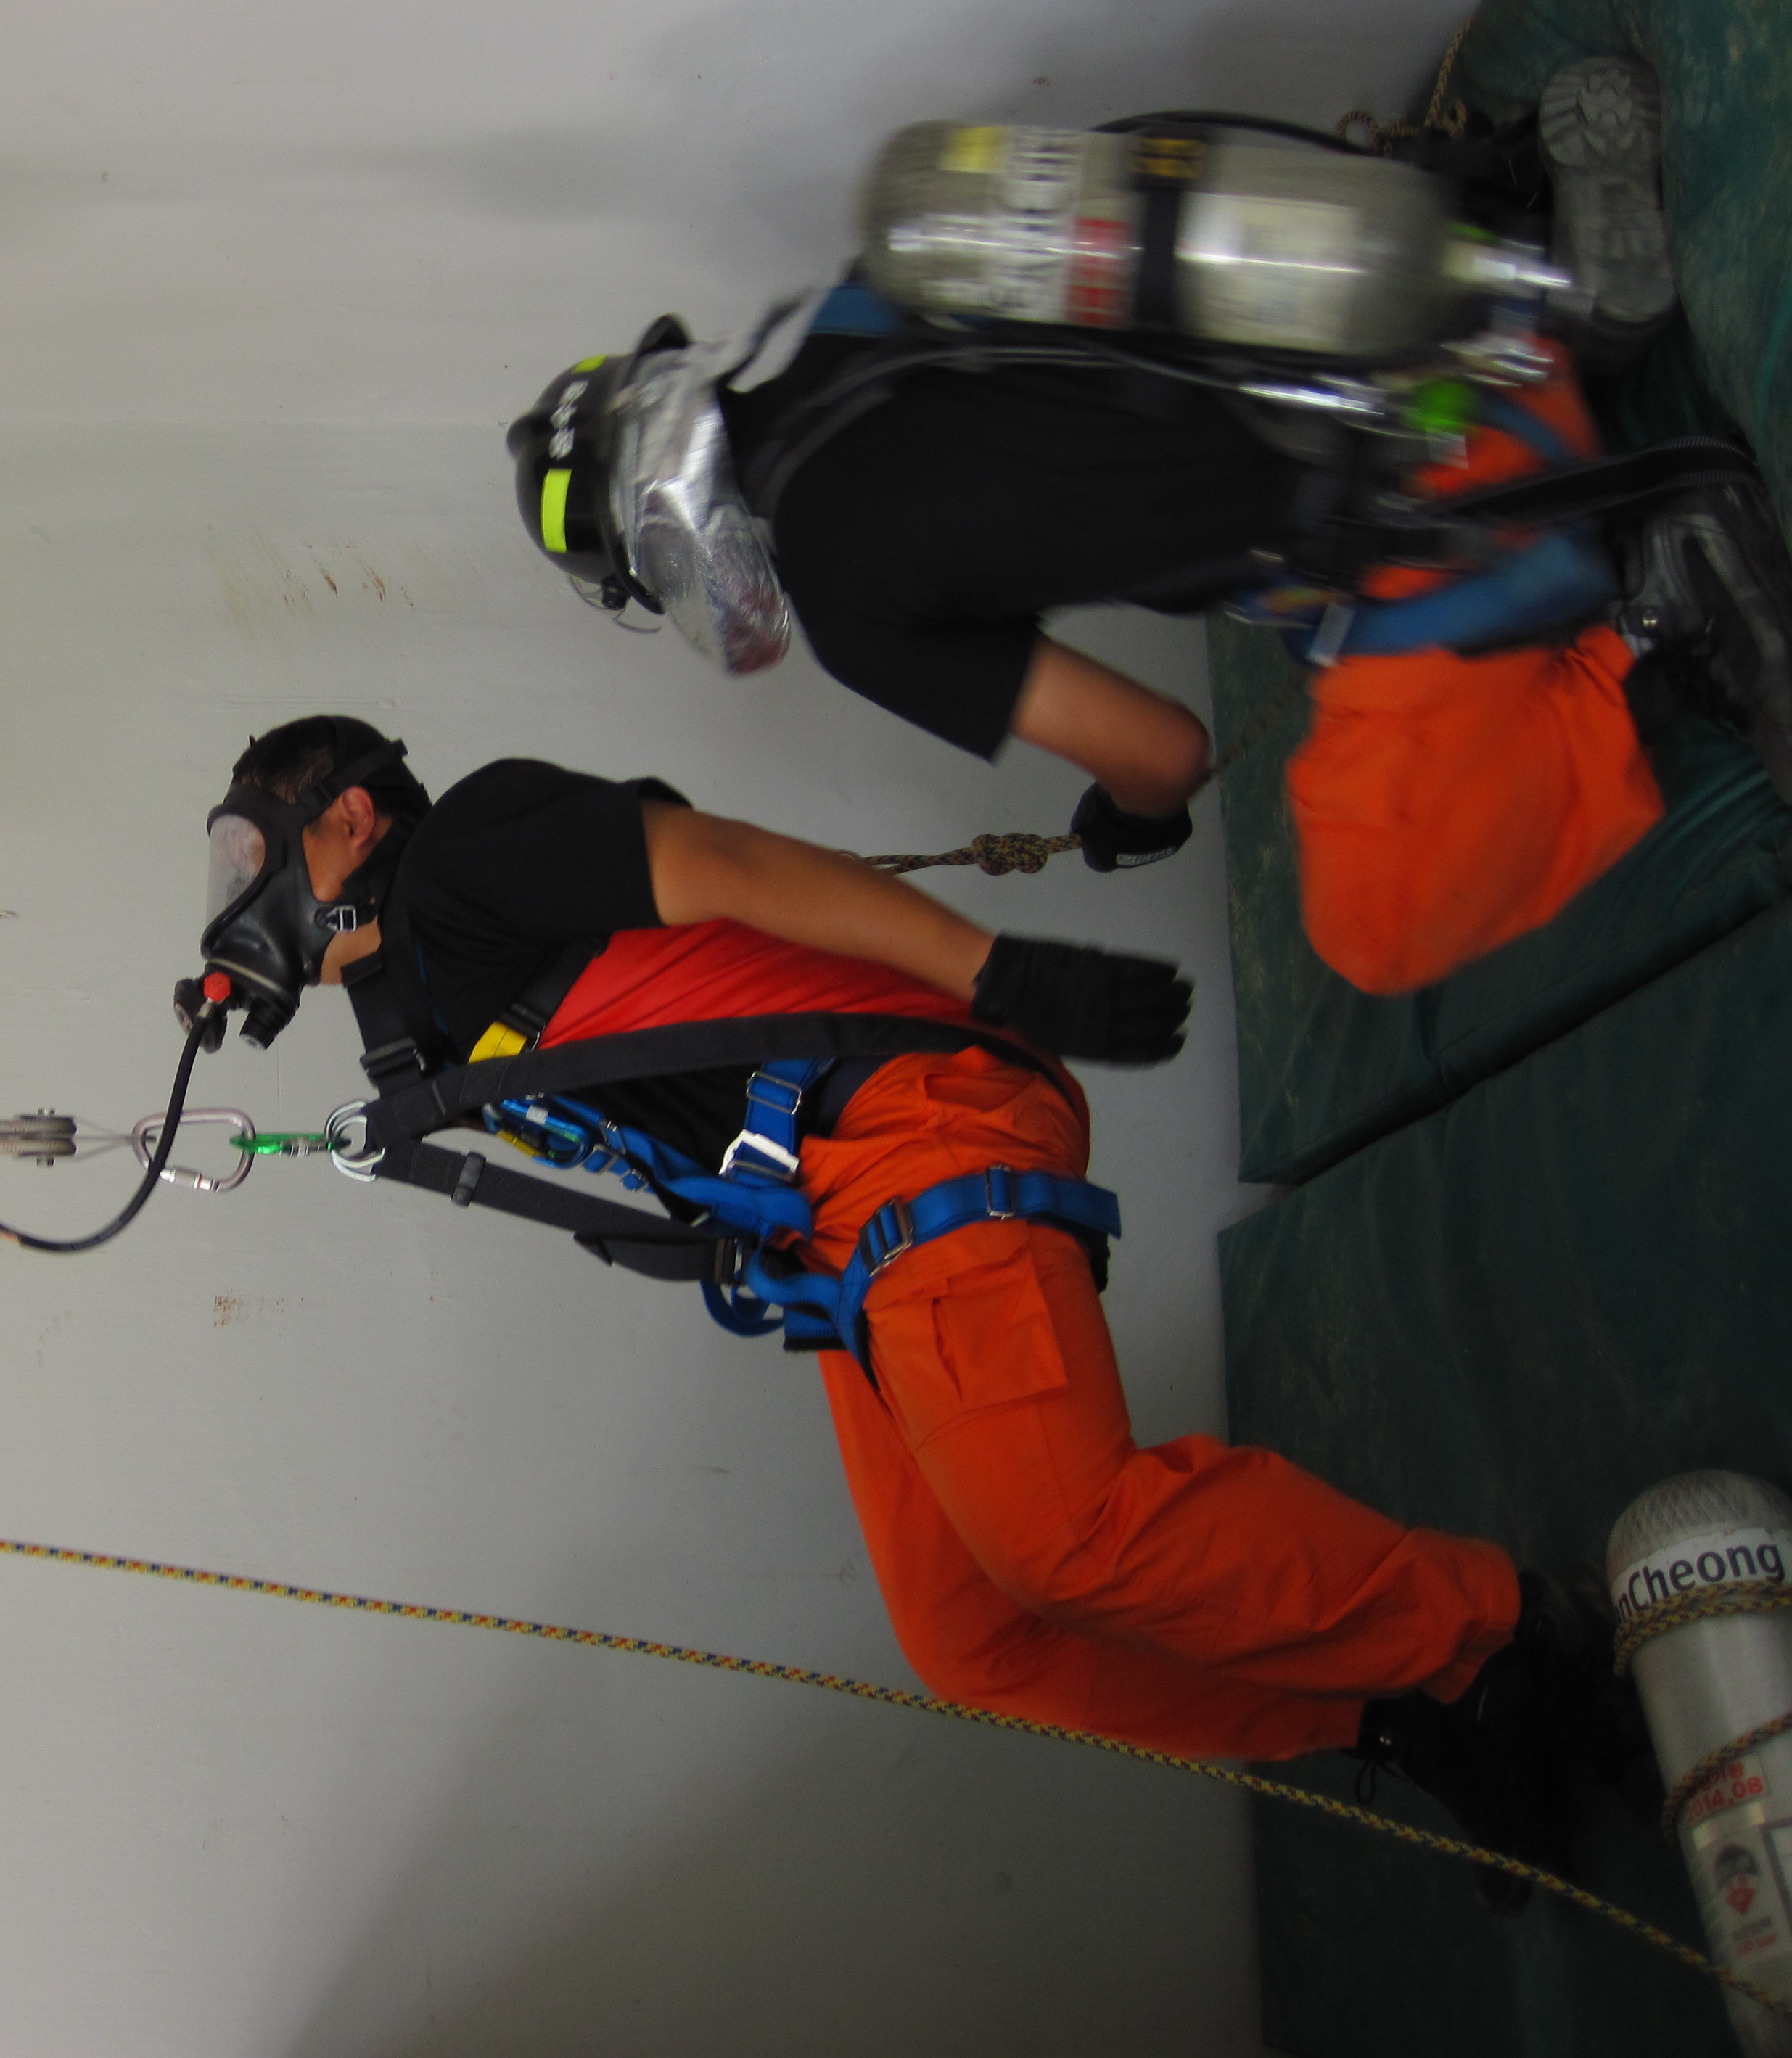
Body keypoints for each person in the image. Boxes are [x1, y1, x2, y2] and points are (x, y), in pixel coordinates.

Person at [202, 712, 1634, 1908]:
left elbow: (719, 861)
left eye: (248, 850)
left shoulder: (466, 851)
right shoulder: (429, 1007)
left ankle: (1511, 1629)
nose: (232, 889)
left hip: (909, 1119)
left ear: (348, 820)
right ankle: (1409, 1713)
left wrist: (997, 973)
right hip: (831, 1226)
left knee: (1061, 1534)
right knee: (975, 1639)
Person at [507, 58, 1792, 997]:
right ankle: (1570, 302)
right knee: (1286, 531)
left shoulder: (849, 610)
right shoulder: (877, 281)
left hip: (1459, 504)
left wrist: (1134, 821)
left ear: (666, 543)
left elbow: (1164, 748)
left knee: (1371, 929)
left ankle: (1654, 605)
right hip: (1458, 291)